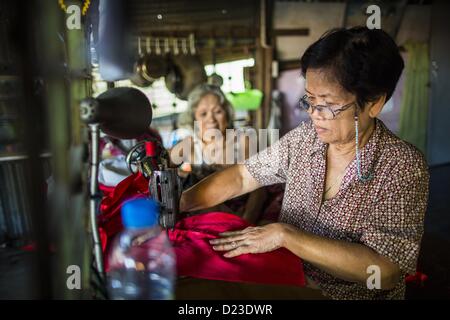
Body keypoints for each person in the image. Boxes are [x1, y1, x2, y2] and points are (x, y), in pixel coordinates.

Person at [179, 27, 430, 299]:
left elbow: (385, 270)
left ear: (373, 103)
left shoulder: (402, 166)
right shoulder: (305, 139)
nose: (314, 115)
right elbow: (243, 176)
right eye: (309, 101)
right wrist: (180, 202)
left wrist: (287, 236)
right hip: (290, 278)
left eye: (327, 105)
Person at [170, 84, 266, 223]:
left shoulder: (242, 141)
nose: (211, 119)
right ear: (194, 119)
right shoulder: (190, 144)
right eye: (203, 114)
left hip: (240, 213)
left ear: (227, 114)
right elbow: (164, 161)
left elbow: (259, 191)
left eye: (218, 112)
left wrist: (245, 223)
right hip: (204, 216)